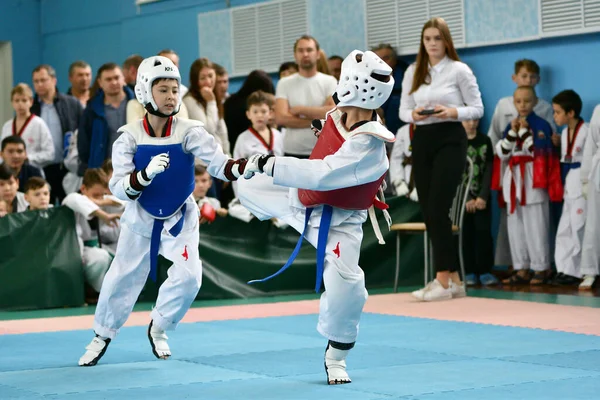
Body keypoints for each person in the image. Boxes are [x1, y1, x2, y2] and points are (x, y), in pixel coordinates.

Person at [78, 56, 254, 367]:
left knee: (190, 278)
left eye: (175, 90)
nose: (171, 96)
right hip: (139, 218)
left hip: (180, 216)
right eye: (163, 90)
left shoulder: (190, 131)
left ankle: (159, 326)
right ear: (145, 92)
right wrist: (142, 176)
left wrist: (245, 167)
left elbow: (218, 163)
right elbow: (118, 187)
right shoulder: (129, 136)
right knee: (121, 278)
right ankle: (101, 335)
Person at [237, 49, 395, 385]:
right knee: (246, 184)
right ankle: (261, 202)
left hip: (340, 222)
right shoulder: (338, 113)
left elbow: (323, 174)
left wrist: (271, 163)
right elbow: (325, 145)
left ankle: (336, 354)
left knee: (348, 288)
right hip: (302, 202)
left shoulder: (370, 142)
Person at [399, 17, 483, 301]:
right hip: (422, 138)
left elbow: (477, 108)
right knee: (429, 211)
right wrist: (416, 114)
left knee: (438, 207)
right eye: (427, 39)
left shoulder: (459, 69)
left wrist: (451, 112)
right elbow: (403, 111)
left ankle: (442, 280)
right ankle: (455, 279)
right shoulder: (413, 70)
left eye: (437, 38)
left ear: (446, 41)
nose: (432, 44)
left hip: (450, 137)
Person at [492, 86, 562, 285]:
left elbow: (539, 152)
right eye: (518, 101)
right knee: (516, 227)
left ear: (535, 102)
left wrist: (524, 132)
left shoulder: (542, 125)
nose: (522, 105)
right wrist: (513, 133)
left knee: (537, 225)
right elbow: (503, 153)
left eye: (527, 101)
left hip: (533, 180)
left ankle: (541, 267)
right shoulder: (509, 126)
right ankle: (521, 267)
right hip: (514, 180)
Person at [552, 90, 589, 286]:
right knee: (564, 228)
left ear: (571, 113)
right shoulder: (565, 133)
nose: (555, 116)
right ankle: (564, 269)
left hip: (583, 183)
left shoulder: (588, 130)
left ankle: (580, 271)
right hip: (569, 182)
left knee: (578, 227)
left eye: (557, 112)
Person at [461, 119, 496, 286]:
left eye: (475, 119)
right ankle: (468, 272)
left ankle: (485, 271)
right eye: (467, 120)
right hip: (462, 200)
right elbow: (454, 172)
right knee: (465, 235)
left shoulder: (485, 140)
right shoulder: (456, 142)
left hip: (482, 199)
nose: (471, 123)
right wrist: (466, 198)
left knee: (483, 234)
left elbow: (489, 169)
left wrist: (483, 196)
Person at [1, 83, 54, 169]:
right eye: (17, 100)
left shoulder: (39, 123)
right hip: (9, 172)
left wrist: (28, 157)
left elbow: (49, 153)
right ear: (12, 102)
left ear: (31, 102)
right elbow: (2, 151)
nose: (20, 104)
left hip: (32, 170)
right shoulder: (7, 126)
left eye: (24, 100)